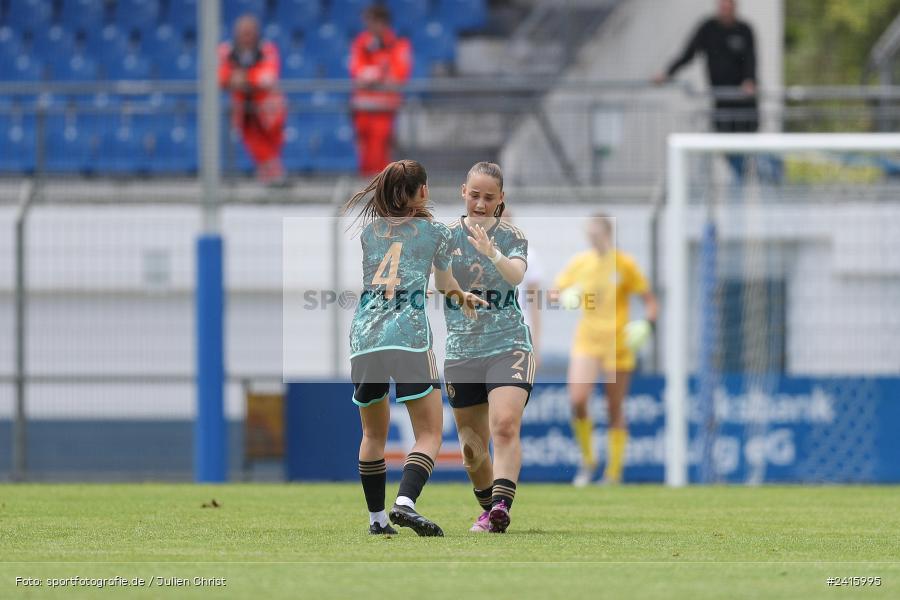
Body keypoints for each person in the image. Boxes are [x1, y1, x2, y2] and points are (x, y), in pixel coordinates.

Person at [344, 159, 485, 536]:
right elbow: (444, 279)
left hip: (365, 335)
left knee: (373, 435)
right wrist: (462, 294)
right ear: (422, 191)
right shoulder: (435, 232)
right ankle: (405, 502)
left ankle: (376, 521)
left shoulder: (370, 232)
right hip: (407, 336)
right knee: (429, 432)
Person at [443, 162, 534, 533]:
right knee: (471, 449)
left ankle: (500, 506)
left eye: (489, 198)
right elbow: (438, 278)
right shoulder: (446, 235)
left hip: (508, 344)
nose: (480, 204)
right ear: (464, 192)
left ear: (501, 200)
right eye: (475, 195)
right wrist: (456, 293)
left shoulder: (512, 236)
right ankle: (489, 512)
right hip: (462, 350)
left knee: (505, 425)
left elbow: (516, 274)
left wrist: (492, 252)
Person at [554, 214, 658, 487]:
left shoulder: (624, 264)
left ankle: (613, 473)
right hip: (587, 341)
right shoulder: (581, 263)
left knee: (614, 406)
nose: (593, 237)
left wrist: (648, 325)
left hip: (617, 343)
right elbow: (555, 291)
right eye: (590, 233)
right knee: (577, 399)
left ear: (607, 233)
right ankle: (588, 460)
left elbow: (649, 300)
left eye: (597, 233)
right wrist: (568, 294)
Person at [653, 0, 758, 176]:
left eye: (728, 6)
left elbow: (751, 59)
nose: (725, 9)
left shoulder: (745, 29)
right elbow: (687, 54)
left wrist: (749, 81)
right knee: (728, 150)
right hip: (720, 103)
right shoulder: (708, 29)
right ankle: (741, 182)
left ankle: (745, 185)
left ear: (734, 7)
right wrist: (667, 73)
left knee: (744, 150)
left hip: (743, 103)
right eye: (722, 6)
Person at [219, 15, 287, 184]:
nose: (246, 37)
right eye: (243, 33)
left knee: (273, 146)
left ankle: (273, 178)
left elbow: (269, 76)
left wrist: (244, 78)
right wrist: (235, 79)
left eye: (249, 33)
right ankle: (274, 178)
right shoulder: (226, 50)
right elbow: (220, 76)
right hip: (244, 109)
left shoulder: (267, 49)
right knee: (256, 146)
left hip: (268, 109)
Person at [349, 5, 412, 176]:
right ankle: (367, 191)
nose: (368, 26)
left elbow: (398, 77)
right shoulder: (361, 42)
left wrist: (374, 74)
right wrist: (379, 72)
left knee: (381, 153)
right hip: (363, 108)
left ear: (382, 22)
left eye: (371, 22)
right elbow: (358, 72)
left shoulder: (398, 43)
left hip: (385, 109)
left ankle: (382, 191)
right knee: (364, 152)